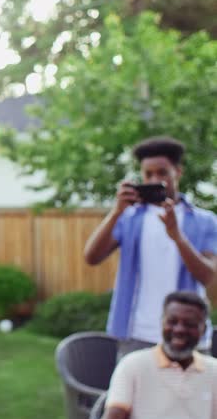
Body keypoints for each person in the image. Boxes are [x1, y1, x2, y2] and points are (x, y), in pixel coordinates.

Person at [84, 136, 217, 358]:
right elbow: (91, 257)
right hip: (136, 334)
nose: (155, 179)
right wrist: (116, 211)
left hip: (188, 335)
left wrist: (177, 237)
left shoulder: (205, 221)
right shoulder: (129, 218)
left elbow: (208, 276)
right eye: (148, 174)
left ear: (178, 172)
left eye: (162, 173)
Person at [95, 291, 217, 419]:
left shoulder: (214, 371)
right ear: (162, 322)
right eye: (172, 322)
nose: (179, 329)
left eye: (189, 324)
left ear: (203, 329)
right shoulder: (133, 364)